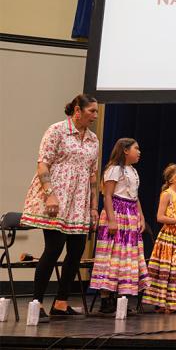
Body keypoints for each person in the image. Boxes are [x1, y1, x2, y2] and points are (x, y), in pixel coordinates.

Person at [20, 94, 100, 321]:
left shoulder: (93, 139)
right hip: (58, 196)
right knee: (54, 249)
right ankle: (37, 303)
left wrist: (94, 207)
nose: (94, 115)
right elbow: (43, 163)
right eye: (91, 111)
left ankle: (61, 303)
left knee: (76, 252)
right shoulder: (57, 130)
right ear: (77, 110)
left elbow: (93, 174)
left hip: (80, 201)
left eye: (96, 112)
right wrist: (49, 195)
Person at [90, 138, 150, 314]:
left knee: (125, 257)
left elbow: (134, 196)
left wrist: (141, 217)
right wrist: (111, 219)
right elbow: (107, 196)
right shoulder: (114, 169)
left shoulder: (133, 171)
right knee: (112, 255)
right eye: (136, 148)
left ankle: (119, 298)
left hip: (130, 213)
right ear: (125, 150)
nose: (139, 152)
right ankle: (105, 299)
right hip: (116, 212)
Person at [143, 164, 176, 312]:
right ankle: (163, 303)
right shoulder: (167, 194)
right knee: (169, 270)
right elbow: (160, 217)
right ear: (174, 179)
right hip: (170, 237)